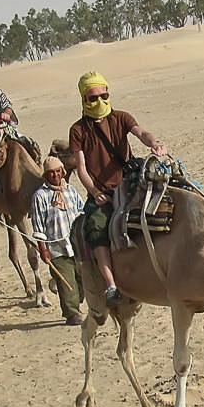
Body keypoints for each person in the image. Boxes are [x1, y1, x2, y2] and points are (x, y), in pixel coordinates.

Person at [68, 71, 166, 305]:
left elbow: (140, 132)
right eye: (93, 98)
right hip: (102, 192)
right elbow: (81, 167)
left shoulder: (121, 118)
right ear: (83, 100)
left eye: (104, 95)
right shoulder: (78, 130)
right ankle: (111, 284)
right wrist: (94, 192)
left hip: (130, 183)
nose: (99, 101)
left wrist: (154, 143)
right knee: (97, 229)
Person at [31, 155, 87, 325]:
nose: (55, 176)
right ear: (45, 175)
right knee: (67, 283)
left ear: (62, 172)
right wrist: (43, 249)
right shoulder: (40, 196)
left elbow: (81, 212)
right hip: (56, 247)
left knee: (82, 280)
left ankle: (72, 299)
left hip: (76, 245)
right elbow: (38, 225)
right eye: (51, 173)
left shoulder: (70, 191)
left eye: (57, 172)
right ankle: (72, 314)